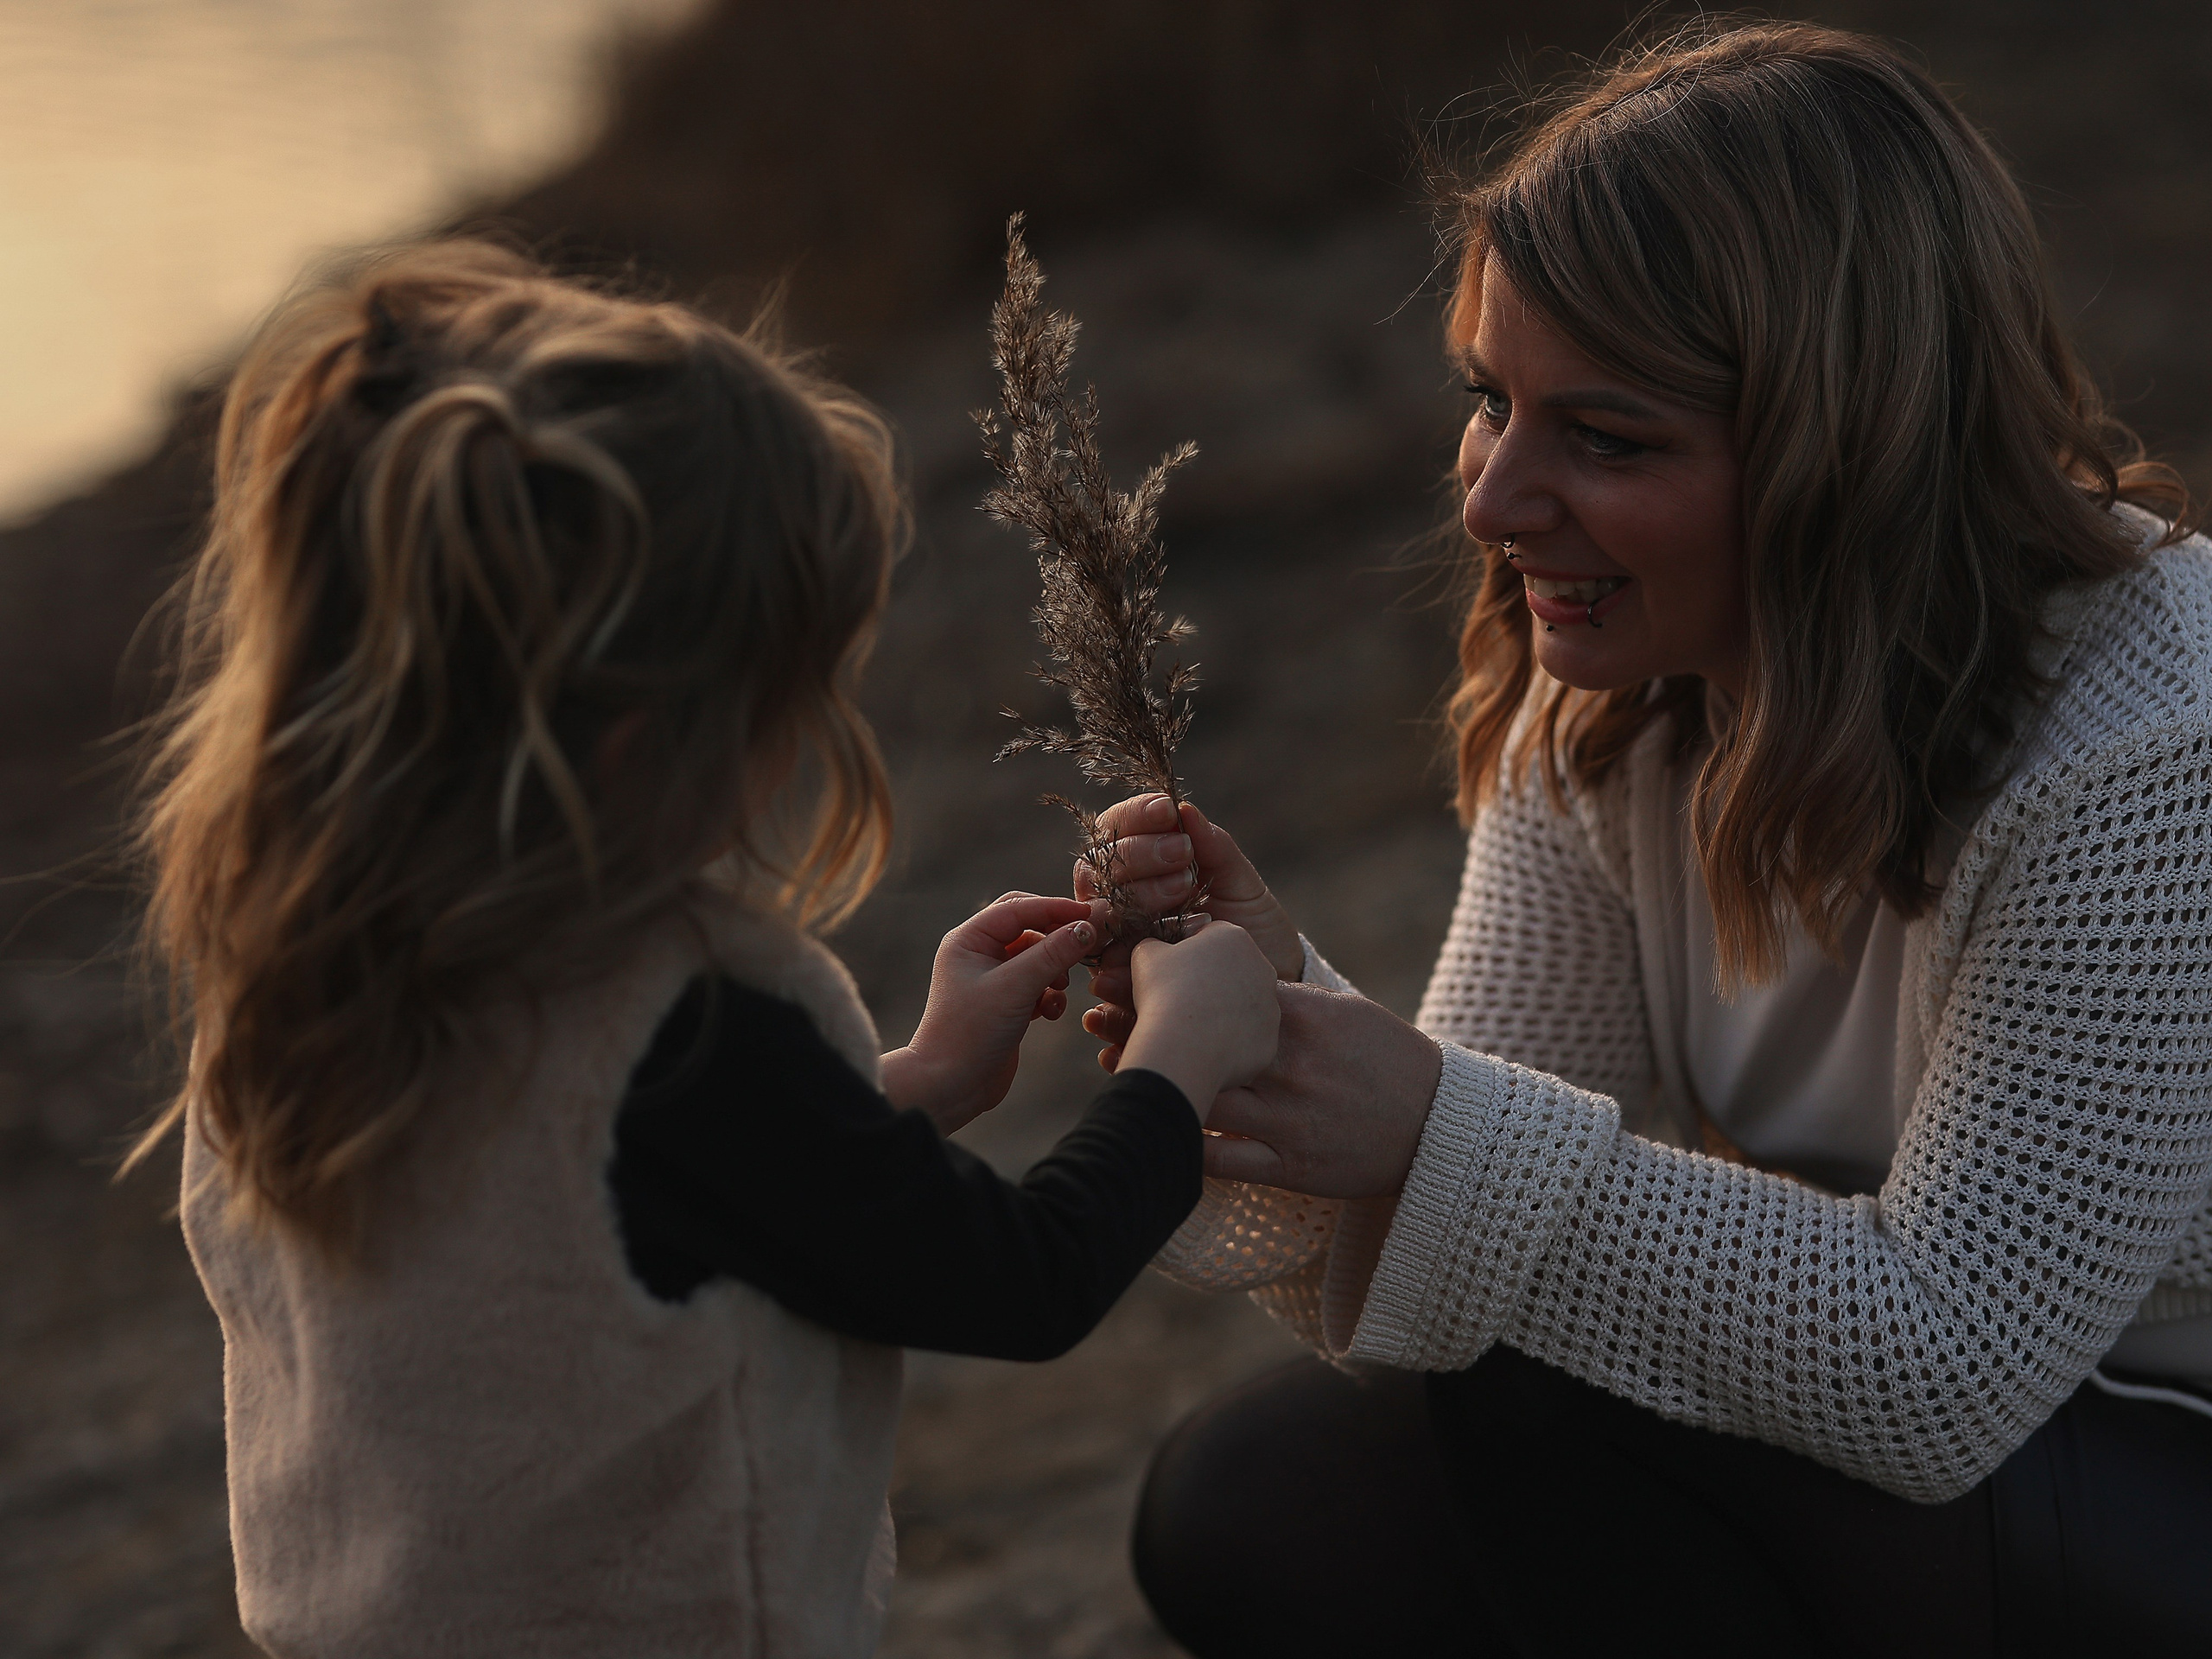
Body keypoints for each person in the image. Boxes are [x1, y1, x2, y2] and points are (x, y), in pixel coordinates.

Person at [1078, 22, 2212, 1656]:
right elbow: (1456, 1244)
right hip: (1919, 1478)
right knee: (1259, 1508)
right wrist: (1279, 1037)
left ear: (1851, 449)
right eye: (1491, 404)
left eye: (1606, 439)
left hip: (2147, 1455)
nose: (1491, 500)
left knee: (1563, 1408)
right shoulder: (1613, 697)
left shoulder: (2150, 738)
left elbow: (1947, 1364)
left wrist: (1427, 1123)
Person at [126, 239, 1280, 1657]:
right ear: (637, 742)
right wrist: (1182, 1058)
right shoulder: (683, 1036)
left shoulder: (314, 980)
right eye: (791, 694)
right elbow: (1017, 1281)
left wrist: (909, 1086)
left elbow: (599, 1222)